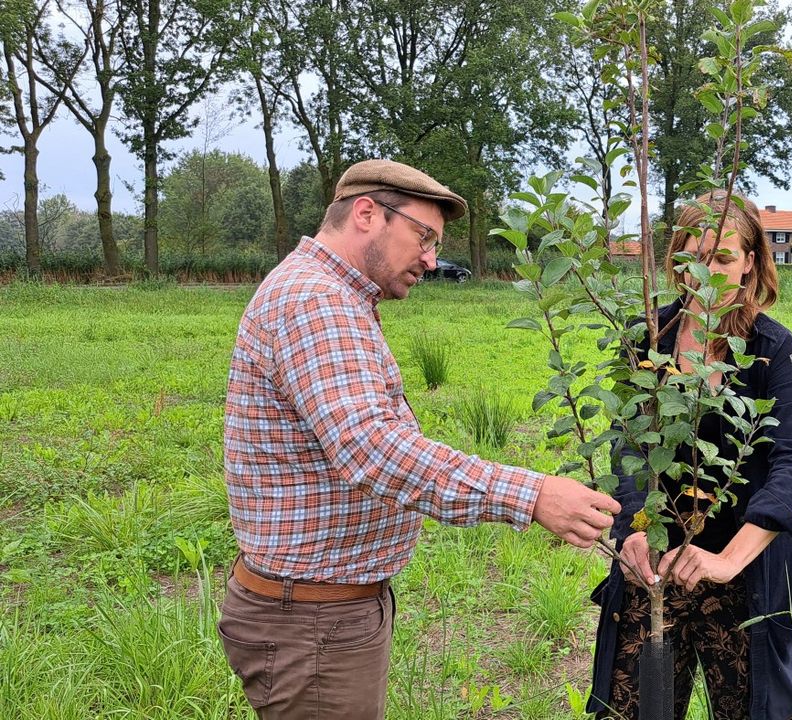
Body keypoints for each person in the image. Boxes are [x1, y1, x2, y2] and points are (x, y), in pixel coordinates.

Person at [218, 159, 621, 720]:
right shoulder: (318, 301)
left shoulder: (335, 296)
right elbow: (371, 448)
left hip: (323, 611)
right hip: (312, 621)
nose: (431, 260)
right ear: (366, 213)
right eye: (423, 236)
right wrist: (531, 495)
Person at [586, 192, 792, 719]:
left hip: (745, 567)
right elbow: (628, 449)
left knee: (748, 710)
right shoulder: (646, 339)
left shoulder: (774, 349)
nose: (705, 273)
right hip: (656, 567)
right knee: (636, 710)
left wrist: (727, 561)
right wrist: (633, 534)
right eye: (692, 257)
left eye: (722, 259)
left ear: (750, 263)